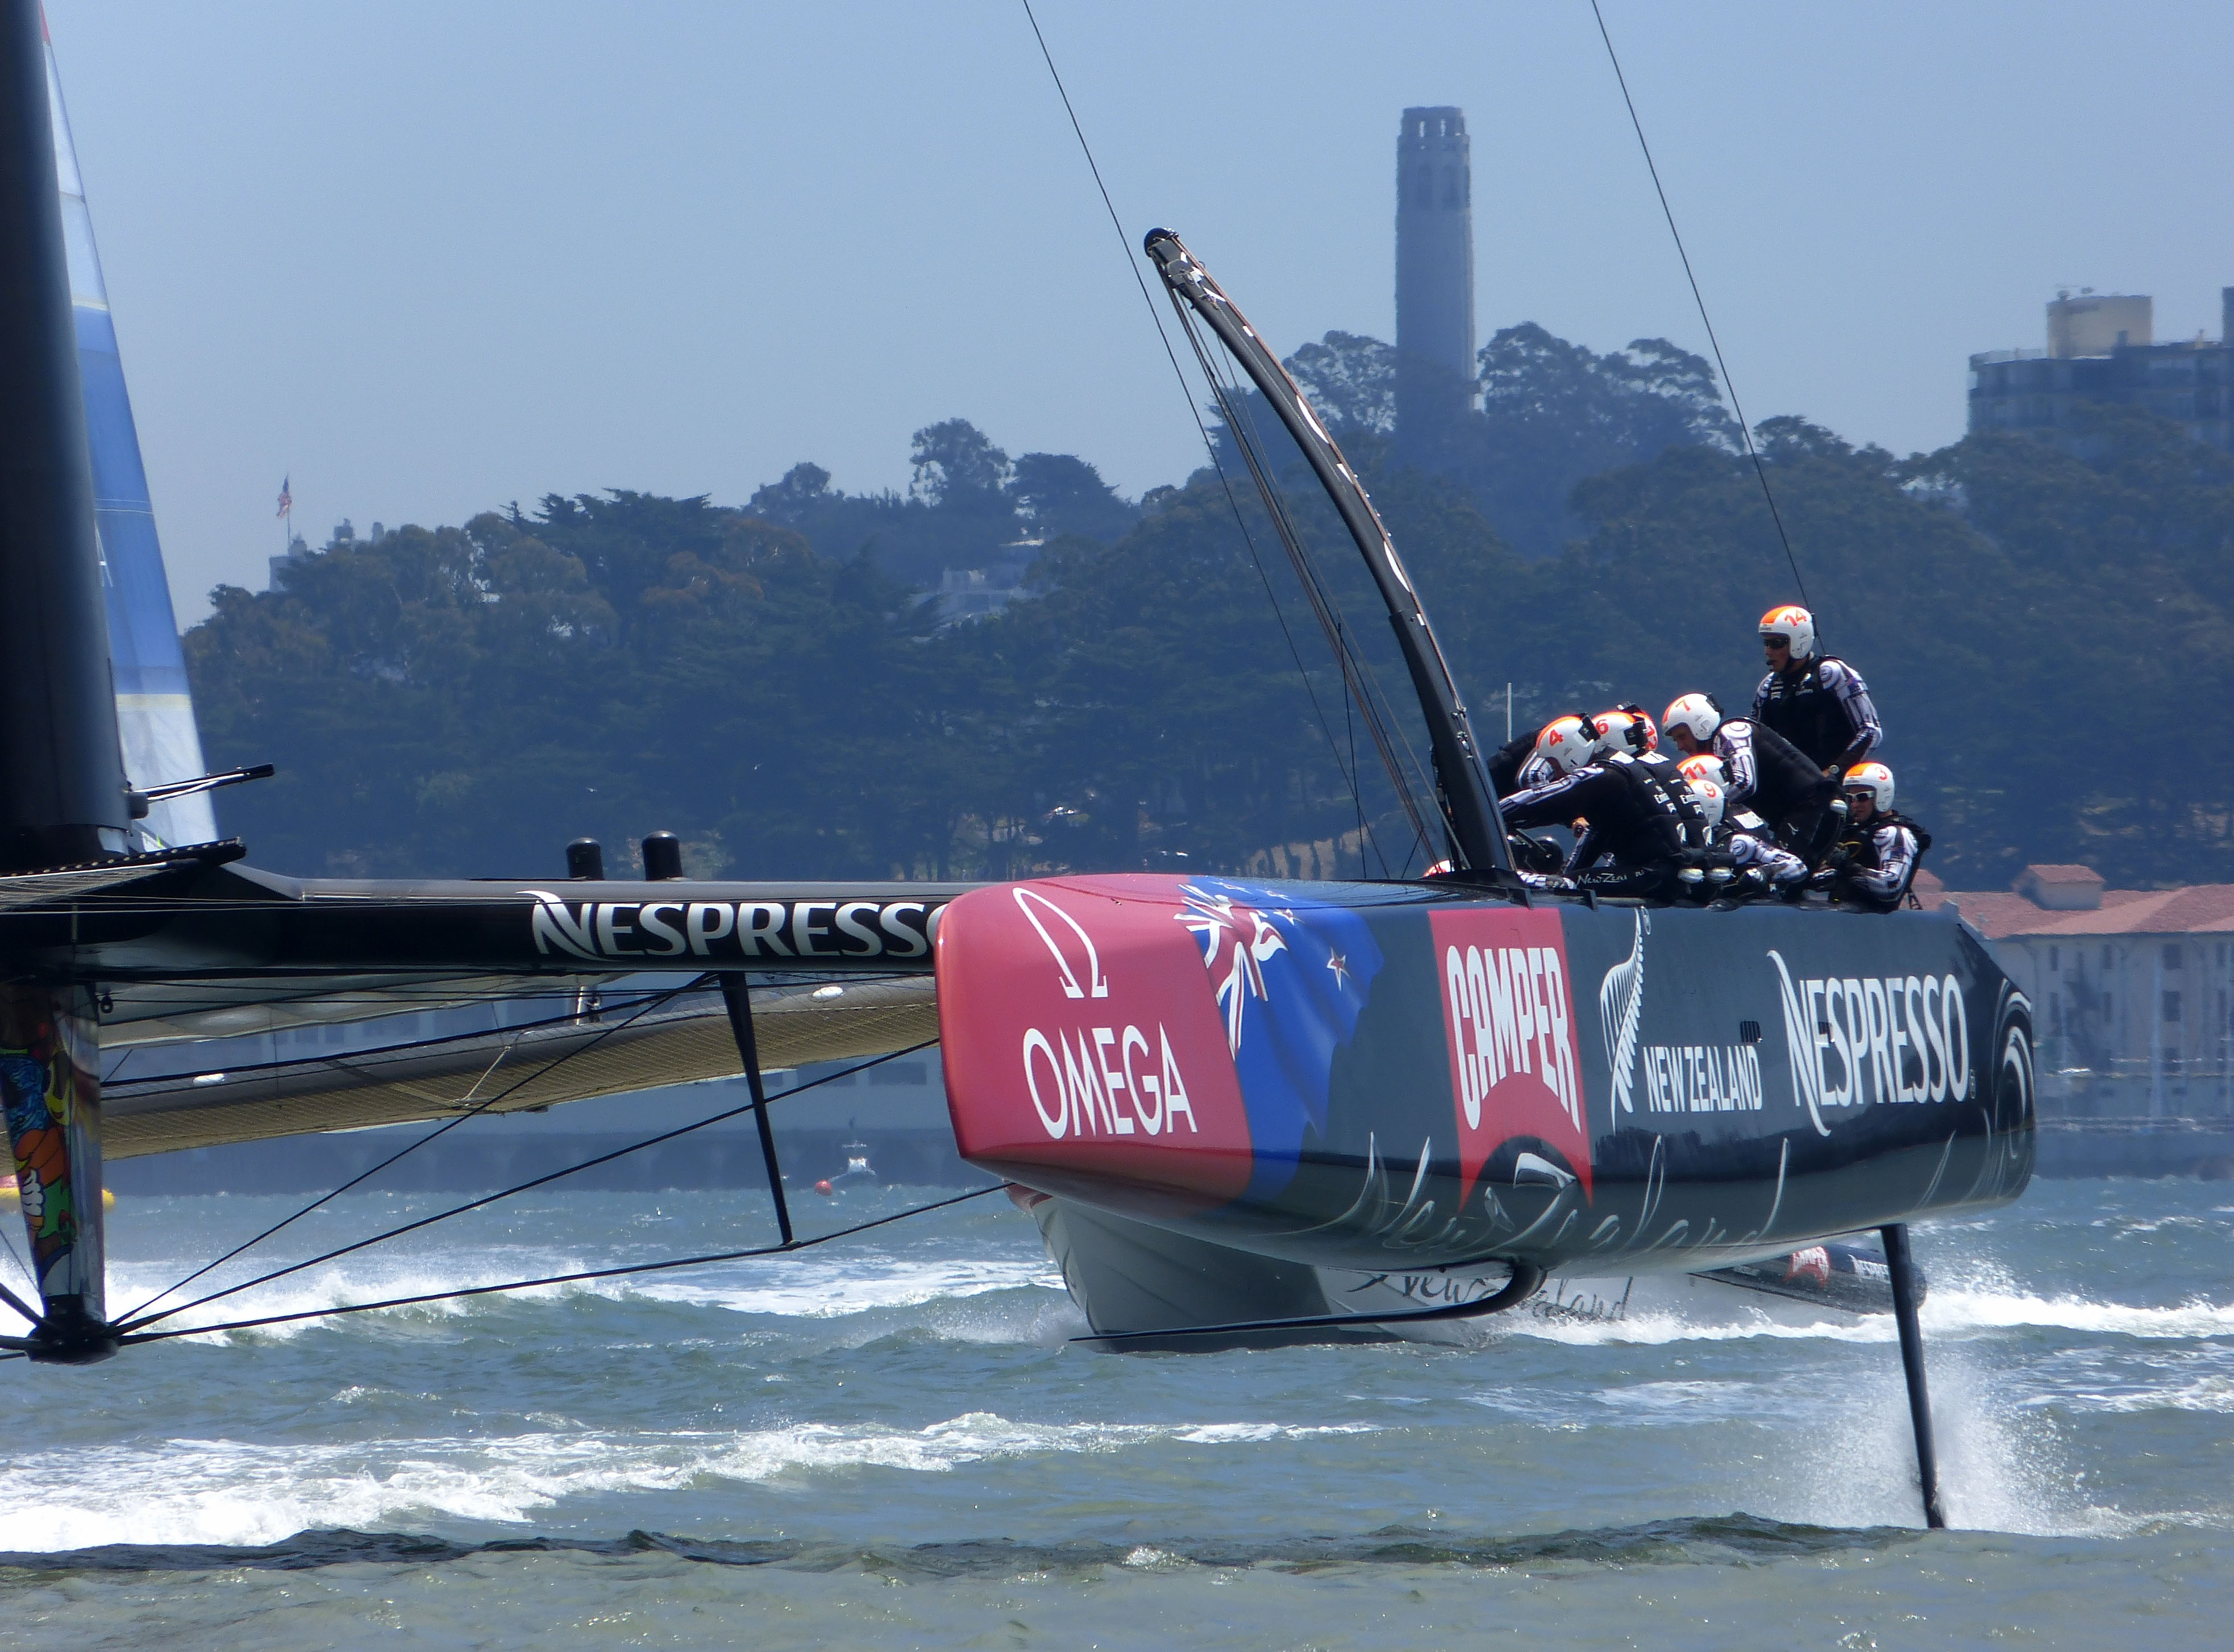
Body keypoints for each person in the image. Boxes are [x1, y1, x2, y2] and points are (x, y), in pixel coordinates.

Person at [1500, 716, 1706, 898]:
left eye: (1555, 765)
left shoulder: (1603, 773)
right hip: (1663, 873)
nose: (1557, 773)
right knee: (1571, 878)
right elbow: (1596, 834)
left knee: (1548, 883)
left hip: (1651, 873)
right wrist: (1570, 871)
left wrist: (1494, 813)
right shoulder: (1621, 767)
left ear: (1569, 753)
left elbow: (1545, 797)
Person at [1664, 690, 1841, 865]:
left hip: (1812, 804)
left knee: (1781, 871)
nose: (1680, 746)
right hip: (1805, 808)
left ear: (1701, 725)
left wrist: (1706, 809)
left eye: (1682, 737)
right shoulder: (1720, 745)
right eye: (1676, 740)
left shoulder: (1732, 732)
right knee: (1791, 873)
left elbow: (1745, 783)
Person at [1751, 605, 1882, 778]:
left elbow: (1870, 731)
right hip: (1793, 787)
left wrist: (1833, 772)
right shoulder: (1767, 687)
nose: (1768, 651)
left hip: (1836, 783)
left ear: (1798, 642)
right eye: (1766, 643)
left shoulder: (1830, 674)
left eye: (1776, 644)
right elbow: (1756, 743)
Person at [1680, 756, 1808, 898]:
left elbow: (1797, 865)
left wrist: (1761, 874)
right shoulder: (1741, 809)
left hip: (1742, 901)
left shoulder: (1735, 838)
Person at [1816, 761, 1929, 912]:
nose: (1855, 804)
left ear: (1882, 795)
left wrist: (1846, 866)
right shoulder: (1853, 831)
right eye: (1850, 798)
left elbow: (1891, 885)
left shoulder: (1895, 834)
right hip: (1845, 915)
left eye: (1862, 797)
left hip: (1874, 920)